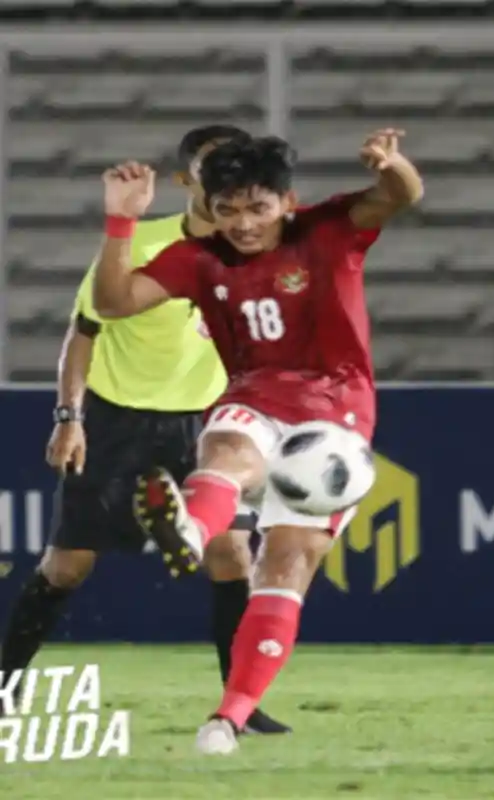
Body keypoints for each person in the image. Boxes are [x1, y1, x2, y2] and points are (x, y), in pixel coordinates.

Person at [90, 130, 423, 755]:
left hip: (336, 413)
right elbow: (113, 303)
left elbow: (401, 195)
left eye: (258, 208)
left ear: (287, 201)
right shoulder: (198, 258)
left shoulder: (327, 229)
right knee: (228, 455)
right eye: (229, 210)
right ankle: (189, 529)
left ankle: (229, 717)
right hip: (253, 395)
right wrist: (120, 222)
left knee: (287, 564)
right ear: (210, 209)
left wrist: (393, 164)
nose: (243, 224)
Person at [0, 125, 288, 735]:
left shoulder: (260, 255)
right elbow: (85, 331)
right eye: (215, 171)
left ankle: (239, 703)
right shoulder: (142, 245)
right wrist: (69, 417)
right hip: (118, 417)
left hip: (208, 421)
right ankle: (7, 680)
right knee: (68, 564)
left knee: (233, 556)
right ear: (189, 182)